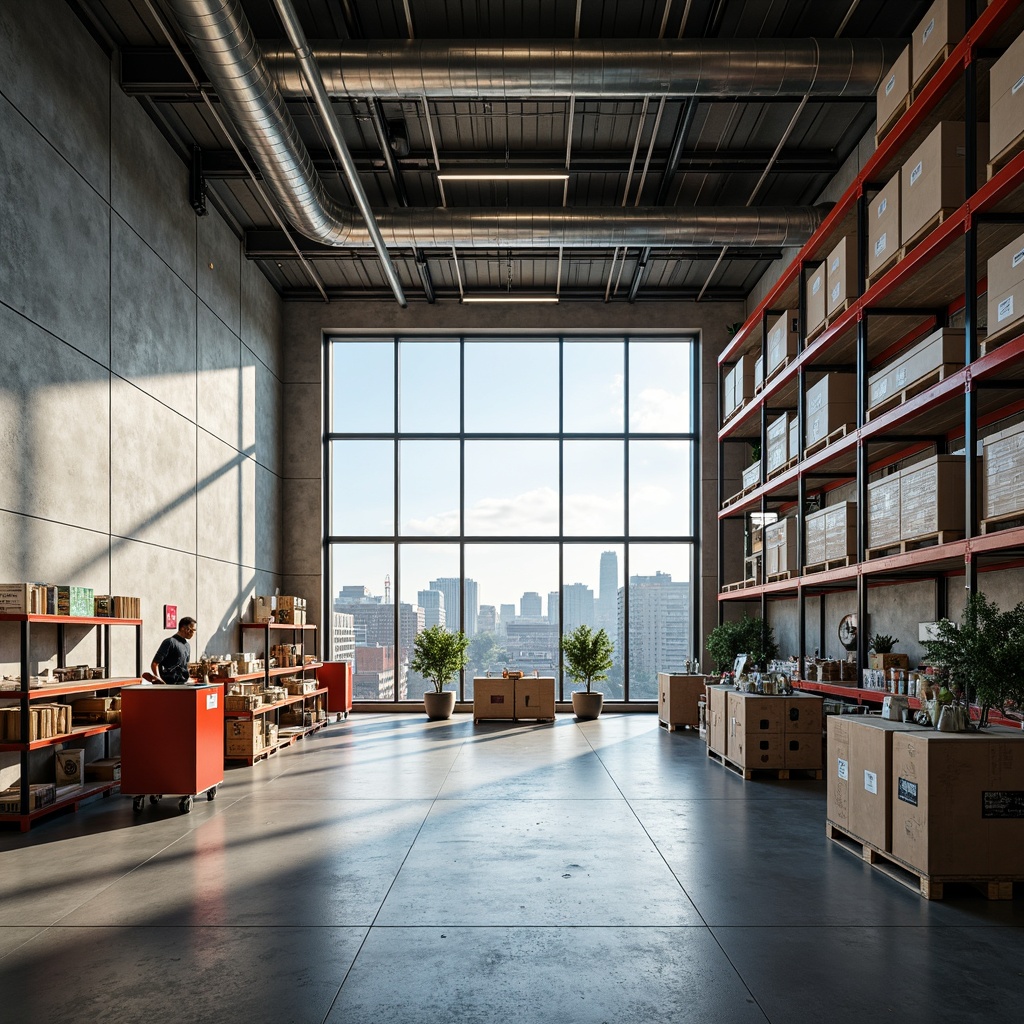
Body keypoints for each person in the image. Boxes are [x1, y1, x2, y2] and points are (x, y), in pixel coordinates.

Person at [147, 617, 197, 684]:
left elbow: (185, 666)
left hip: (183, 685)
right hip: (169, 685)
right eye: (191, 630)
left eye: (194, 631)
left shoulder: (187, 645)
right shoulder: (169, 642)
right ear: (183, 628)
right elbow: (155, 663)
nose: (192, 633)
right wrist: (158, 678)